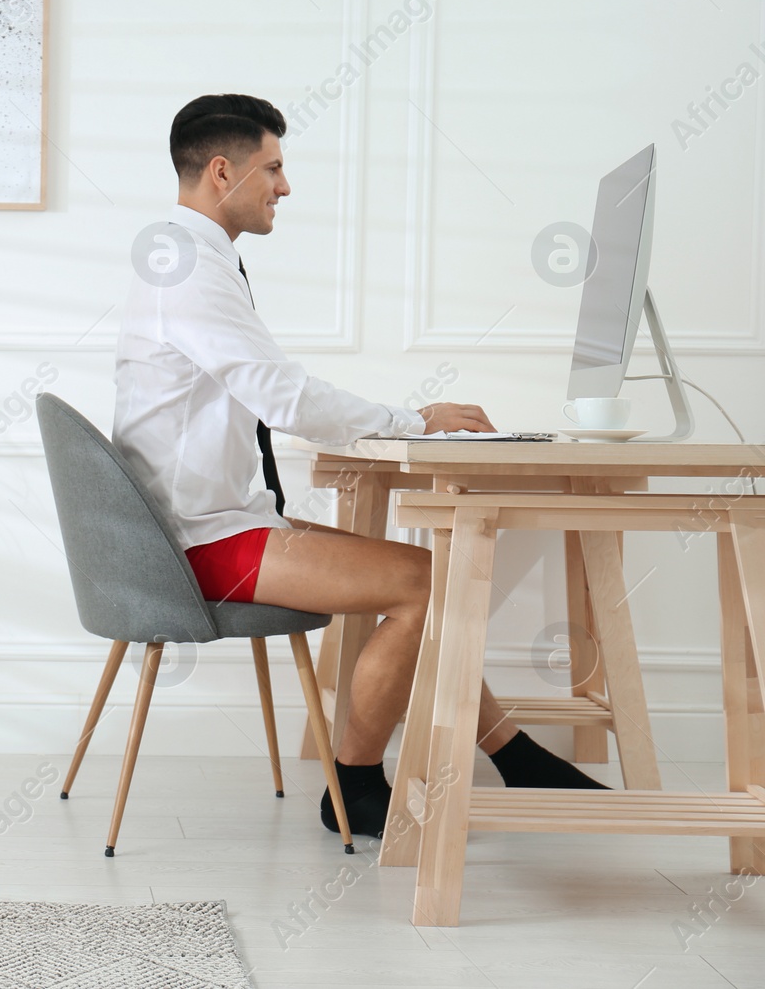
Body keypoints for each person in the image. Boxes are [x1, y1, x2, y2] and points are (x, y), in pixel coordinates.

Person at [111, 93, 608, 838]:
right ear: (223, 171)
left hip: (209, 522)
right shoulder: (191, 271)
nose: (284, 185)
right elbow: (280, 394)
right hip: (201, 543)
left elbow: (268, 390)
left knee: (425, 580)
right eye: (273, 167)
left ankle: (516, 754)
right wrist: (416, 420)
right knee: (427, 582)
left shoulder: (188, 259)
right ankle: (355, 782)